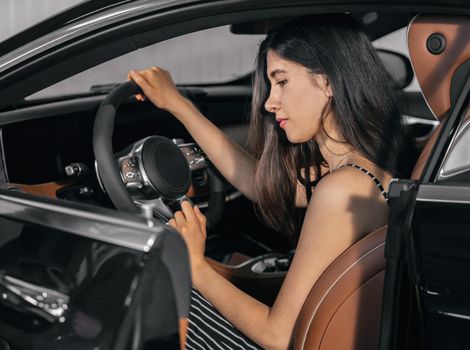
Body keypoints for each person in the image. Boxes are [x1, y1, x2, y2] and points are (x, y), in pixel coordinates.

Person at [129, 14, 414, 350]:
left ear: (327, 82)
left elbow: (280, 337)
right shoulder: (364, 173)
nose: (269, 102)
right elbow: (257, 184)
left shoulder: (340, 189)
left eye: (281, 81)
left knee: (142, 283)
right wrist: (179, 105)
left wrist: (194, 266)